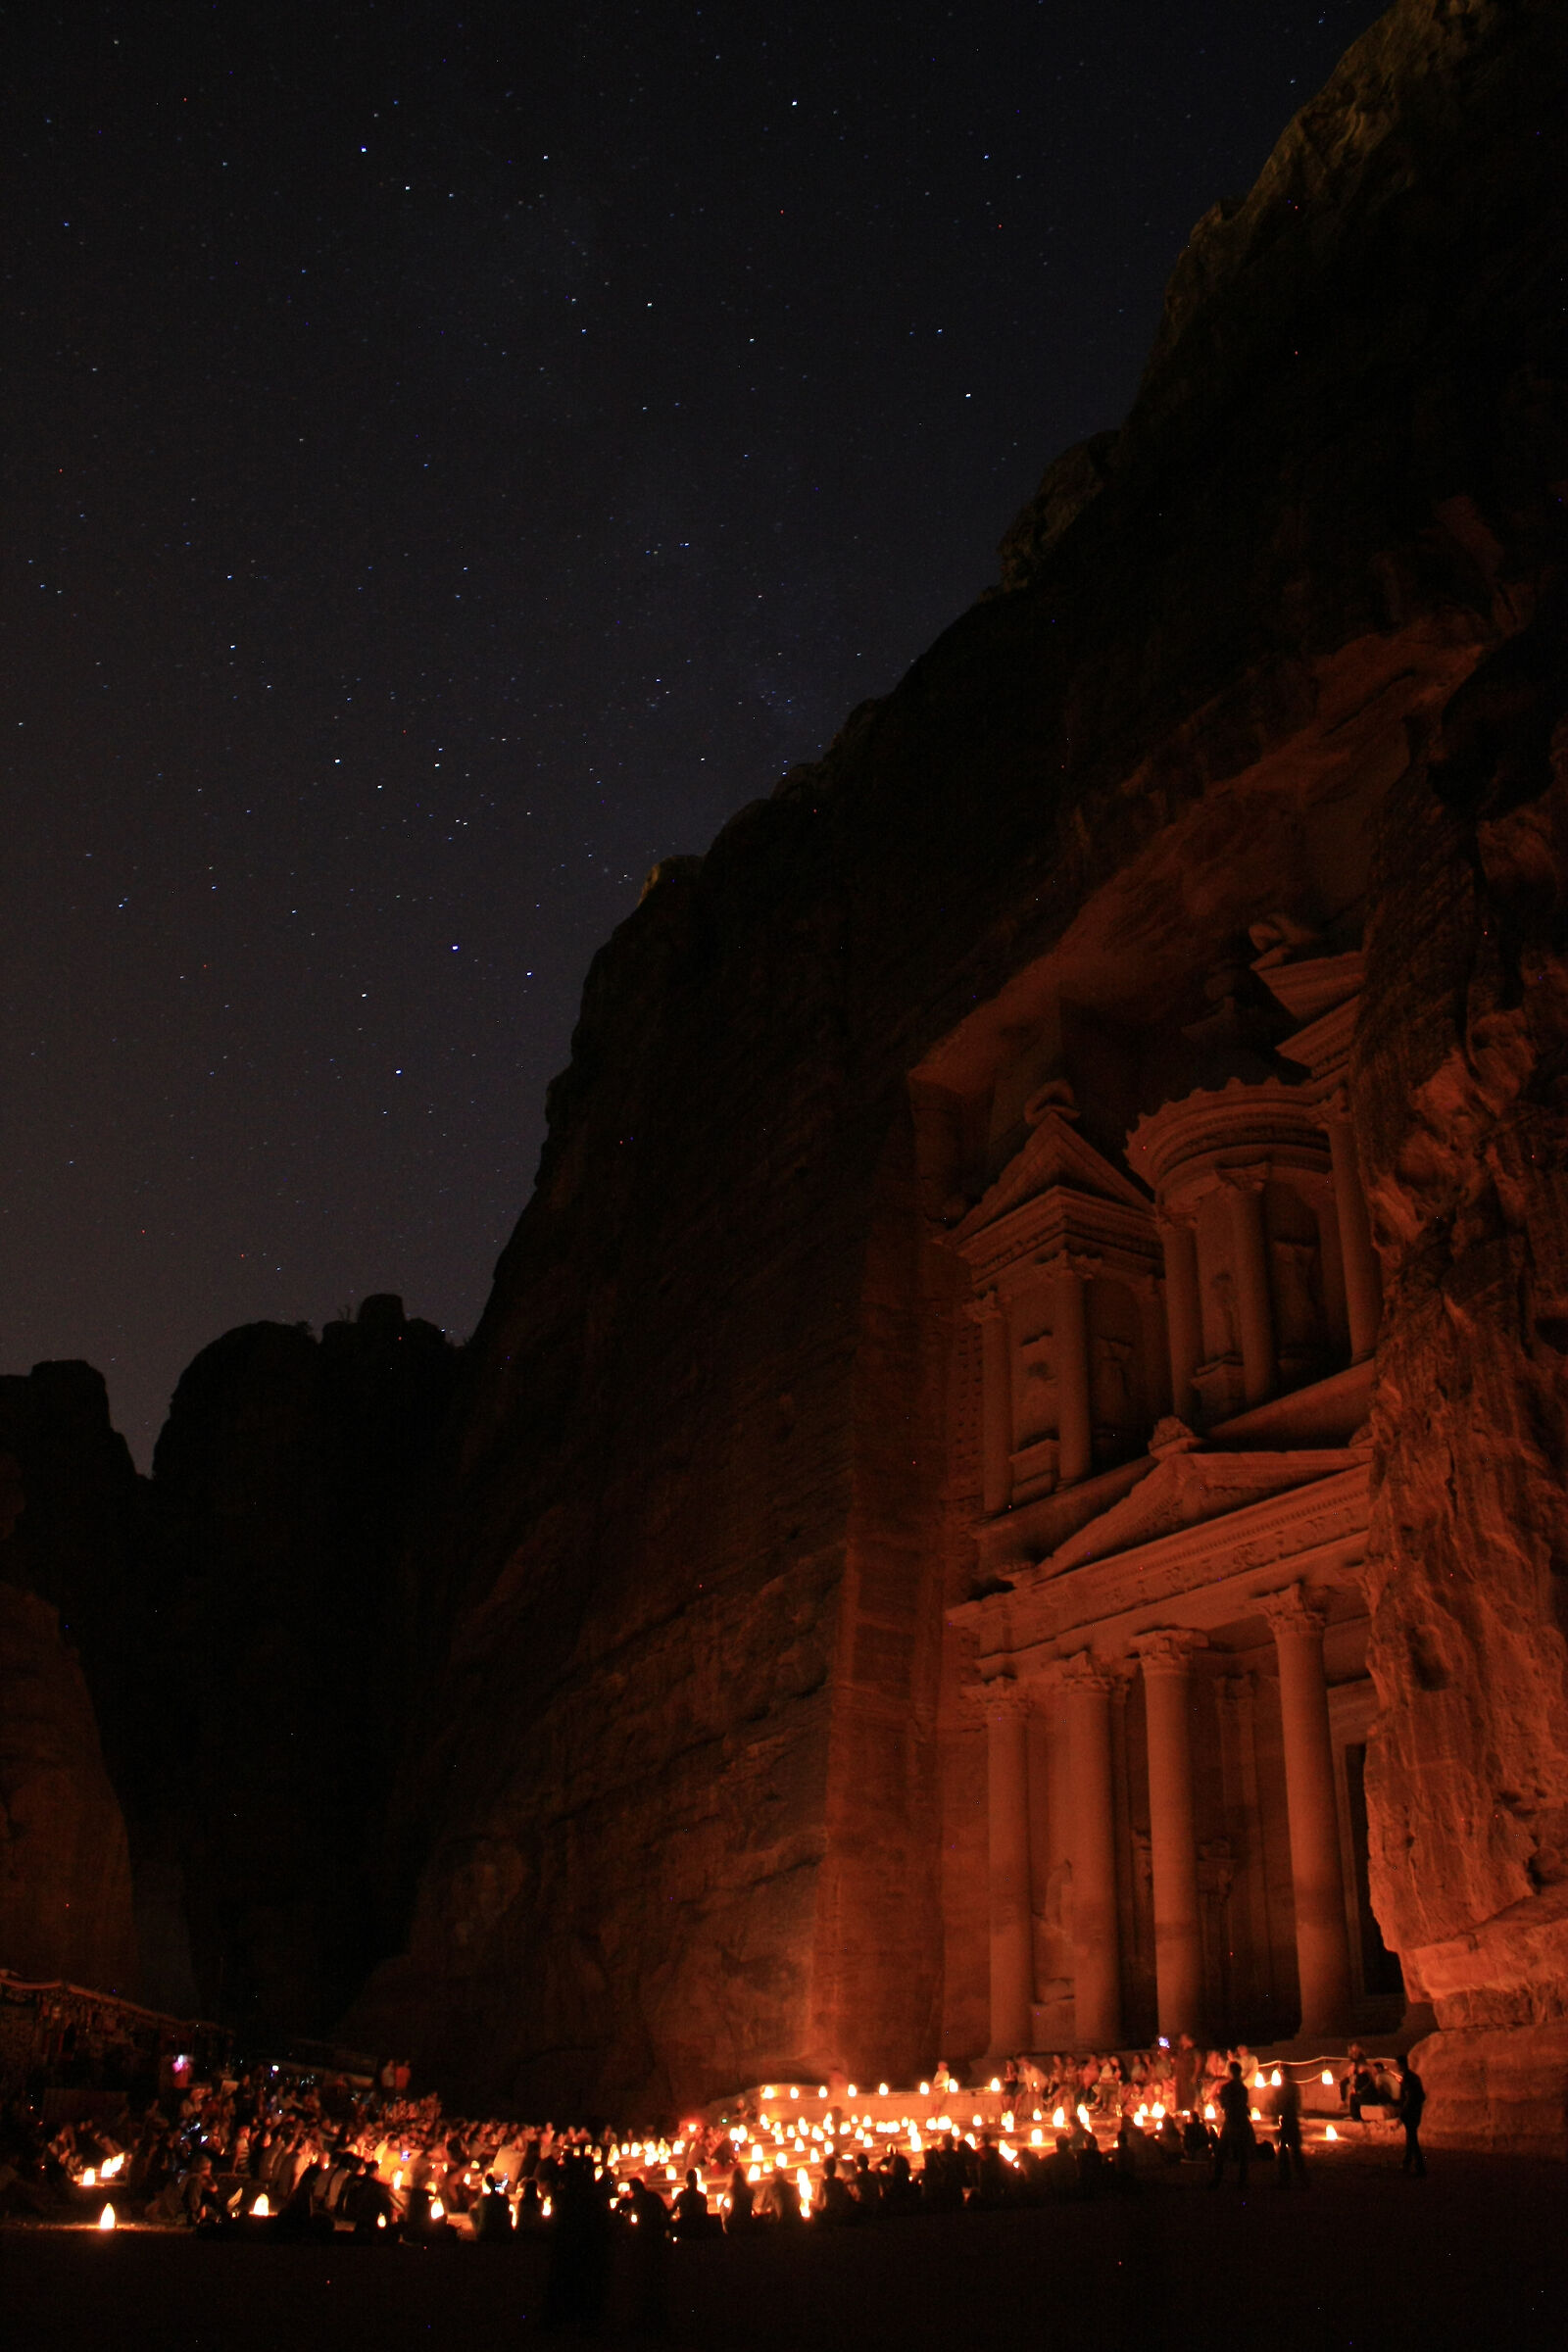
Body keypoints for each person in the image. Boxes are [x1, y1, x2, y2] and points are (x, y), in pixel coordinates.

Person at [1208, 2061, 1254, 2190]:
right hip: (1242, 2121)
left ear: (1230, 2072)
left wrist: (1220, 2099)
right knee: (1243, 2151)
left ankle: (1217, 2178)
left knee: (1221, 2151)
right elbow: (1243, 2103)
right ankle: (1242, 2180)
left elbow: (1224, 2105)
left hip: (1231, 2121)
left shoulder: (1226, 2088)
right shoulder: (1243, 2089)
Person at [1272, 2072, 1306, 2188]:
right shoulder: (1293, 2088)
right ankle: (1301, 2178)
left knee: (1286, 2151)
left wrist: (1276, 2114)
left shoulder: (1283, 2090)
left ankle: (1286, 2178)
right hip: (1291, 2122)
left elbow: (1280, 2106)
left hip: (1288, 2122)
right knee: (1294, 2151)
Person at [1396, 2057, 1427, 2177]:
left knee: (1412, 2140)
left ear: (1402, 2065)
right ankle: (1406, 2163)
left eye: (1398, 2065)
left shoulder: (1407, 2079)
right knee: (1411, 2138)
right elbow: (1422, 2096)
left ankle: (1420, 2166)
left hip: (1410, 2112)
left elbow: (1409, 2096)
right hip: (1416, 2111)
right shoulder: (1415, 2077)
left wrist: (1403, 2111)